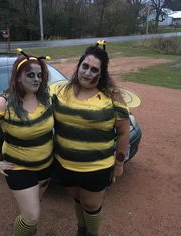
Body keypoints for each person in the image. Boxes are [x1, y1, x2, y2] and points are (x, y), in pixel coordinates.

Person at [51, 41, 130, 236]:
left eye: (94, 69)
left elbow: (123, 131)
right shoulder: (61, 91)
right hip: (65, 163)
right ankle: (81, 228)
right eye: (84, 66)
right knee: (77, 199)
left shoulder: (112, 96)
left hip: (96, 168)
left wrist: (119, 164)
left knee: (91, 205)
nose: (87, 72)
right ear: (78, 66)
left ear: (101, 74)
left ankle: (92, 233)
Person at [0, 49, 54, 236]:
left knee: (33, 208)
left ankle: (30, 232)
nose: (37, 79)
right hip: (18, 167)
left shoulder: (46, 98)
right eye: (31, 75)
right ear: (18, 78)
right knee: (32, 216)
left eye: (40, 75)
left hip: (45, 165)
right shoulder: (4, 104)